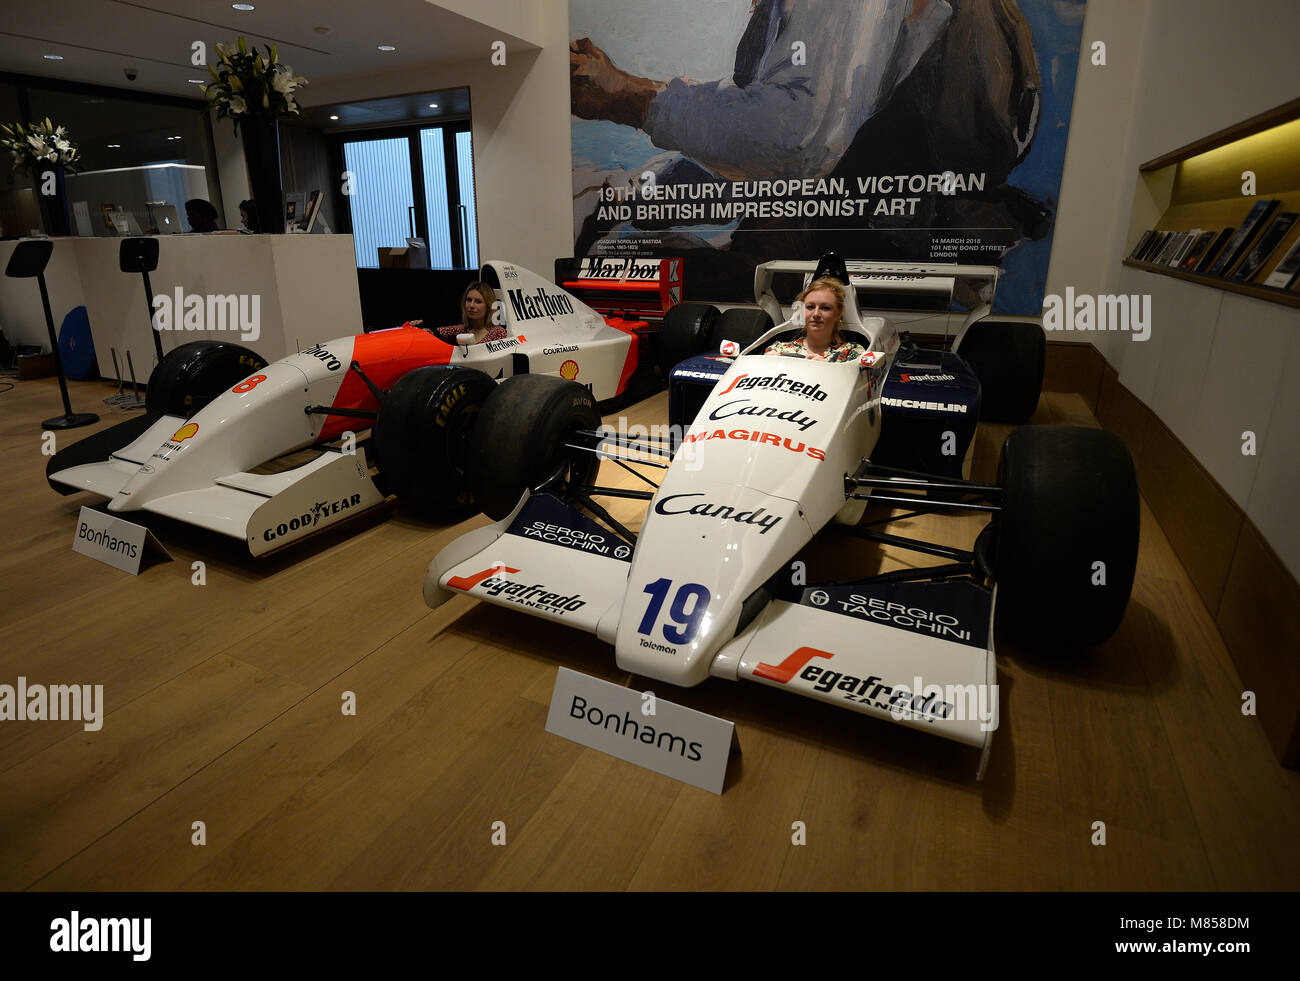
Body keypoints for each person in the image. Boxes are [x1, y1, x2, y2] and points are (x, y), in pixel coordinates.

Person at [765, 277, 865, 363]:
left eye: (825, 308)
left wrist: (827, 368)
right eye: (810, 307)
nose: (816, 314)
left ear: (838, 314)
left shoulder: (853, 353)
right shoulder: (778, 349)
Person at [431, 282, 508, 344]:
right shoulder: (462, 329)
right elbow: (432, 332)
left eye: (478, 302)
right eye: (469, 300)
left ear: (488, 306)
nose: (471, 305)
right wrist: (419, 326)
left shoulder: (497, 332)